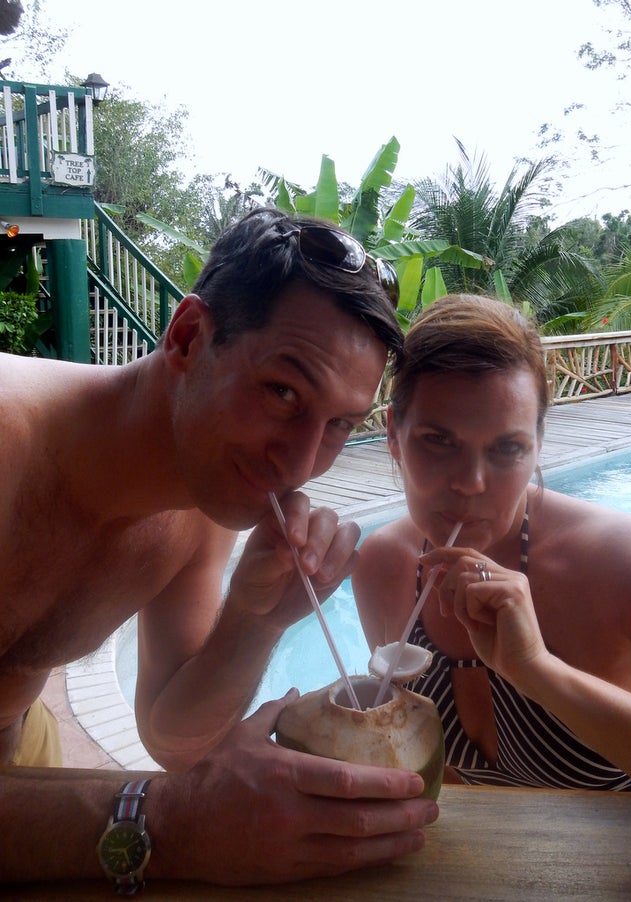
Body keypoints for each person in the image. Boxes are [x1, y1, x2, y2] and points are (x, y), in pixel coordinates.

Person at [0, 207, 440, 889]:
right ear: (187, 337)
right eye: (283, 392)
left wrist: (255, 620)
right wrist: (162, 820)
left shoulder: (199, 508)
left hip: (24, 755)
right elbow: (174, 794)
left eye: (339, 426)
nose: (301, 464)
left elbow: (172, 739)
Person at [353, 294, 631, 834]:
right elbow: (431, 768)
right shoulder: (384, 566)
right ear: (392, 435)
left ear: (539, 444)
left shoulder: (630, 565)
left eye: (507, 450)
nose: (471, 483)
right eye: (438, 440)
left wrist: (540, 674)